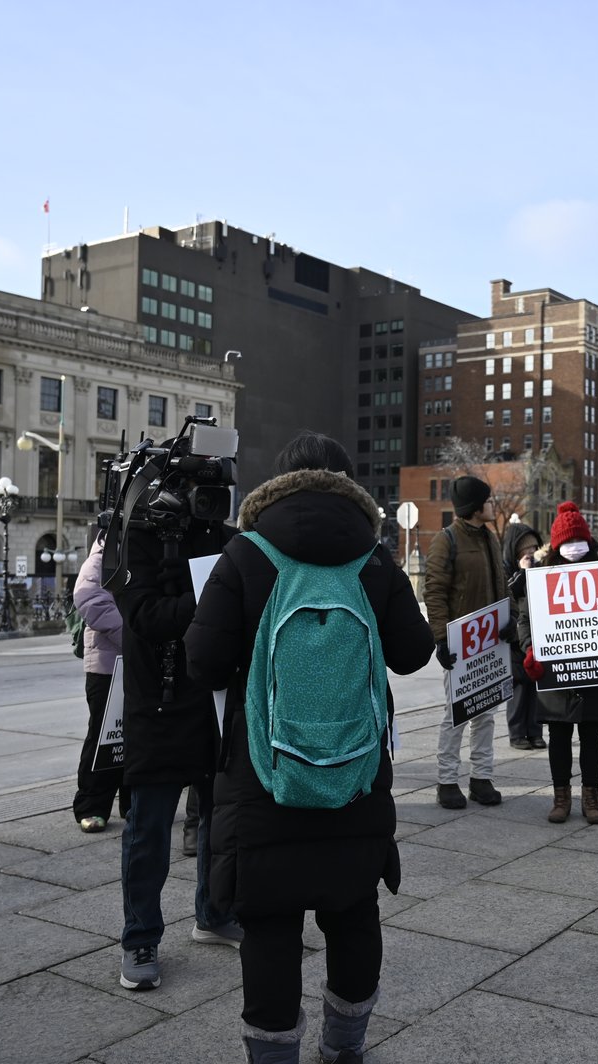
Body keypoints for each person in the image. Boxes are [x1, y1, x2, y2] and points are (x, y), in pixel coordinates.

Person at [186, 431, 434, 1063]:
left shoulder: (244, 553)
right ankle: (344, 1049)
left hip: (263, 778)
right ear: (349, 485)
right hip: (356, 778)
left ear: (278, 483)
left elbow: (204, 662)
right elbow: (413, 653)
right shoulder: (374, 558)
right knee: (354, 915)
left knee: (269, 927)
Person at [110, 449, 239, 991]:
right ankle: (140, 937)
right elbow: (144, 615)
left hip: (214, 696)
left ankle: (214, 913)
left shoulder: (229, 540)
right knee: (149, 828)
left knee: (219, 818)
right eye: (192, 488)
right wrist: (209, 598)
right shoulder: (135, 537)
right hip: (158, 699)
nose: (203, 501)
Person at [516, 503, 598, 825]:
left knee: (593, 735)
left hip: (595, 668)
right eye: (567, 542)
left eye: (579, 540)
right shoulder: (539, 577)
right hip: (556, 669)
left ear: (589, 542)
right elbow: (525, 620)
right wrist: (530, 650)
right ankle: (561, 797)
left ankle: (591, 798)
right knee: (559, 735)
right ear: (556, 546)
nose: (574, 547)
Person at [422, 475, 506, 809]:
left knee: (486, 713)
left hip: (490, 640)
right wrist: (441, 638)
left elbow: (501, 583)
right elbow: (434, 590)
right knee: (455, 714)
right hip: (461, 641)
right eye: (488, 500)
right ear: (475, 506)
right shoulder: (446, 540)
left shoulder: (490, 538)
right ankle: (447, 781)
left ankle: (482, 778)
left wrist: (509, 618)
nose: (492, 505)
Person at [71, 528, 125, 832]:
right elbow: (89, 596)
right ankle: (92, 805)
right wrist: (135, 638)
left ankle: (131, 802)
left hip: (140, 660)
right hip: (107, 664)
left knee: (137, 734)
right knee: (104, 736)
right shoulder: (105, 550)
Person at [501, 521, 546, 751]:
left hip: (537, 634)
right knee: (519, 686)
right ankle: (517, 733)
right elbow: (507, 593)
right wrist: (523, 573)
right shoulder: (507, 570)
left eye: (534, 547)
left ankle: (535, 731)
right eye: (525, 548)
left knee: (537, 685)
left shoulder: (541, 567)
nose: (530, 552)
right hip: (515, 636)